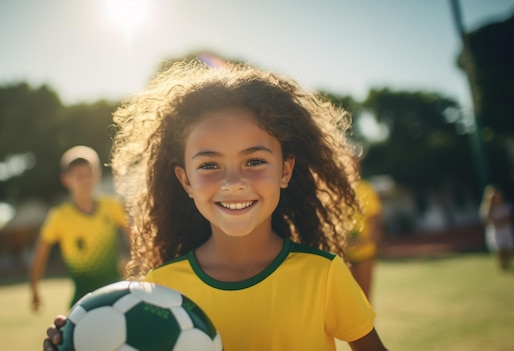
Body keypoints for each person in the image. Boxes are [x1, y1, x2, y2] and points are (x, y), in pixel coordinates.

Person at [43, 61, 387, 350]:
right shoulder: (159, 290)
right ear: (185, 181)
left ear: (285, 170)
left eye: (254, 161)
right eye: (209, 165)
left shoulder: (324, 276)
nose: (233, 182)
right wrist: (81, 340)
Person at [29, 145, 130, 312]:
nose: (85, 181)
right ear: (66, 179)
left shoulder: (112, 206)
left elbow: (136, 238)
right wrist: (34, 290)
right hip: (82, 301)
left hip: (117, 293)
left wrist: (132, 262)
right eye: (79, 176)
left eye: (89, 174)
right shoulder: (59, 217)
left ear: (97, 174)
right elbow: (40, 253)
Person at [345, 157, 384, 301]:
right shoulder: (334, 190)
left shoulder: (365, 188)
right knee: (347, 301)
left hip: (364, 251)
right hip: (343, 254)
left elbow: (375, 219)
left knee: (364, 300)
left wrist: (365, 241)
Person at [479, 184, 513, 270]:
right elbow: (488, 220)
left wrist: (500, 222)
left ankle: (507, 261)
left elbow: (507, 218)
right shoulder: (487, 208)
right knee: (499, 249)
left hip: (506, 230)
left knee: (509, 248)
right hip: (496, 231)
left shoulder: (505, 206)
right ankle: (503, 264)